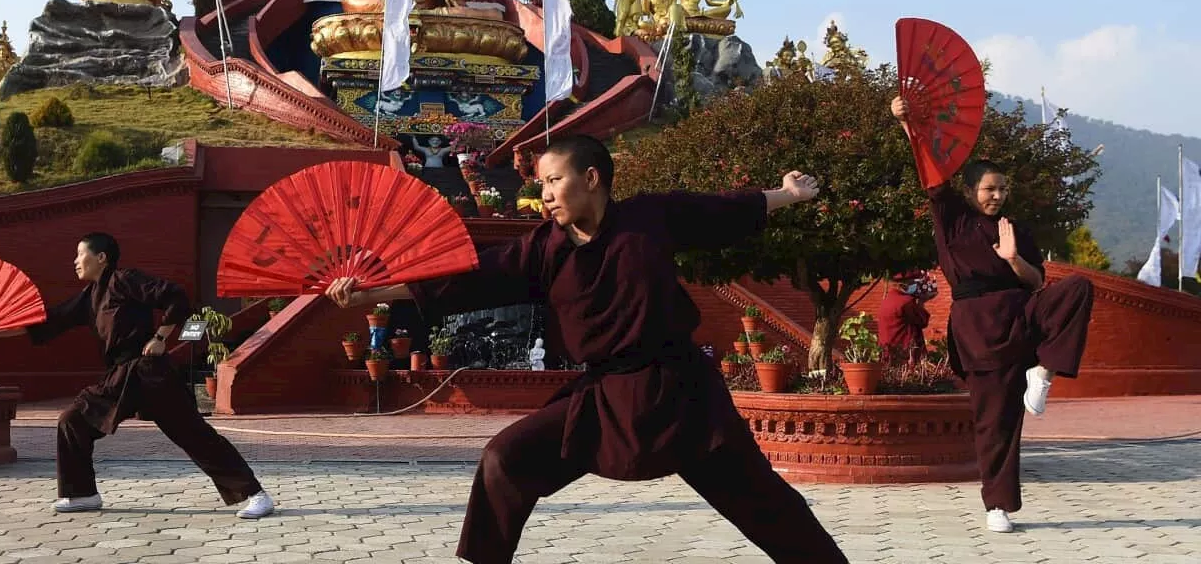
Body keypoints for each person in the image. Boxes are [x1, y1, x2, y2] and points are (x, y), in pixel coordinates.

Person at [325, 135, 848, 563]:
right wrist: (373, 290)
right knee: (505, 459)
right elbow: (467, 279)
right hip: (602, 397)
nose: (545, 193)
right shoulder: (544, 248)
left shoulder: (650, 218)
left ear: (592, 178)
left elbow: (723, 210)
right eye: (541, 184)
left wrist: (790, 195)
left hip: (680, 394)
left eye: (555, 180)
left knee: (761, 500)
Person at [891, 96, 1092, 534]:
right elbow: (929, 172)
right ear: (970, 191)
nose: (998, 196)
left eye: (1003, 189)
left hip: (1020, 313)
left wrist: (1013, 257)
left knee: (1078, 288)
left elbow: (1037, 283)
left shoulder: (1015, 229)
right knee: (995, 422)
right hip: (979, 330)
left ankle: (1043, 372)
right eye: (989, 189)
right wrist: (909, 124)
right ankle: (997, 506)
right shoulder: (952, 219)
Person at [0, 233, 274, 519]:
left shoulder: (125, 280)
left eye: (80, 254)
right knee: (73, 420)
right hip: (119, 376)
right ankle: (81, 494)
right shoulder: (88, 297)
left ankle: (255, 494)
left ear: (101, 257)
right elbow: (45, 323)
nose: (75, 261)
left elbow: (175, 296)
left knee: (193, 434)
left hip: (150, 373)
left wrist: (160, 337)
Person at [876, 270, 935, 364]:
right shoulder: (906, 301)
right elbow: (922, 321)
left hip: (888, 352)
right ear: (905, 283)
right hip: (905, 355)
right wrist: (921, 301)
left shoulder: (887, 299)